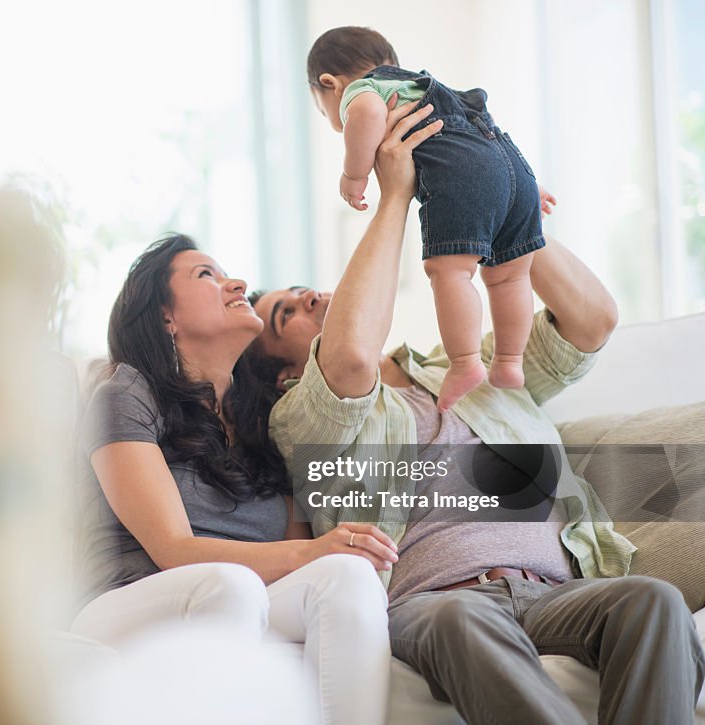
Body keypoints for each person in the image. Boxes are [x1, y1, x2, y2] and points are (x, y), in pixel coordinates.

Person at [246, 111, 705, 723]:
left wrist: (501, 198)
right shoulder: (304, 418)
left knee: (653, 602)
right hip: (437, 601)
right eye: (288, 313)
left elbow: (592, 321)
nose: (312, 296)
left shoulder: (471, 369)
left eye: (306, 288)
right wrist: (396, 195)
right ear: (284, 373)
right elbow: (352, 357)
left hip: (554, 590)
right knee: (462, 619)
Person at [69, 100, 444, 725]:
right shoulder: (125, 394)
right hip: (126, 601)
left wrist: (327, 555)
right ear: (164, 315)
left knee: (349, 581)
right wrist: (315, 551)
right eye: (207, 275)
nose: (235, 282)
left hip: (248, 597)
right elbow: (174, 550)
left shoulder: (264, 416)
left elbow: (300, 545)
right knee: (233, 585)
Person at [307, 25, 556, 411]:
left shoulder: (364, 90)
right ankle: (509, 361)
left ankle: (465, 363)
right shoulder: (426, 87)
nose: (332, 115)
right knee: (511, 275)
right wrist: (523, 186)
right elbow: (486, 136)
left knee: (452, 273)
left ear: (330, 84)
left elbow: (367, 113)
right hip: (509, 166)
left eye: (322, 107)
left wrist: (353, 175)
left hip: (466, 176)